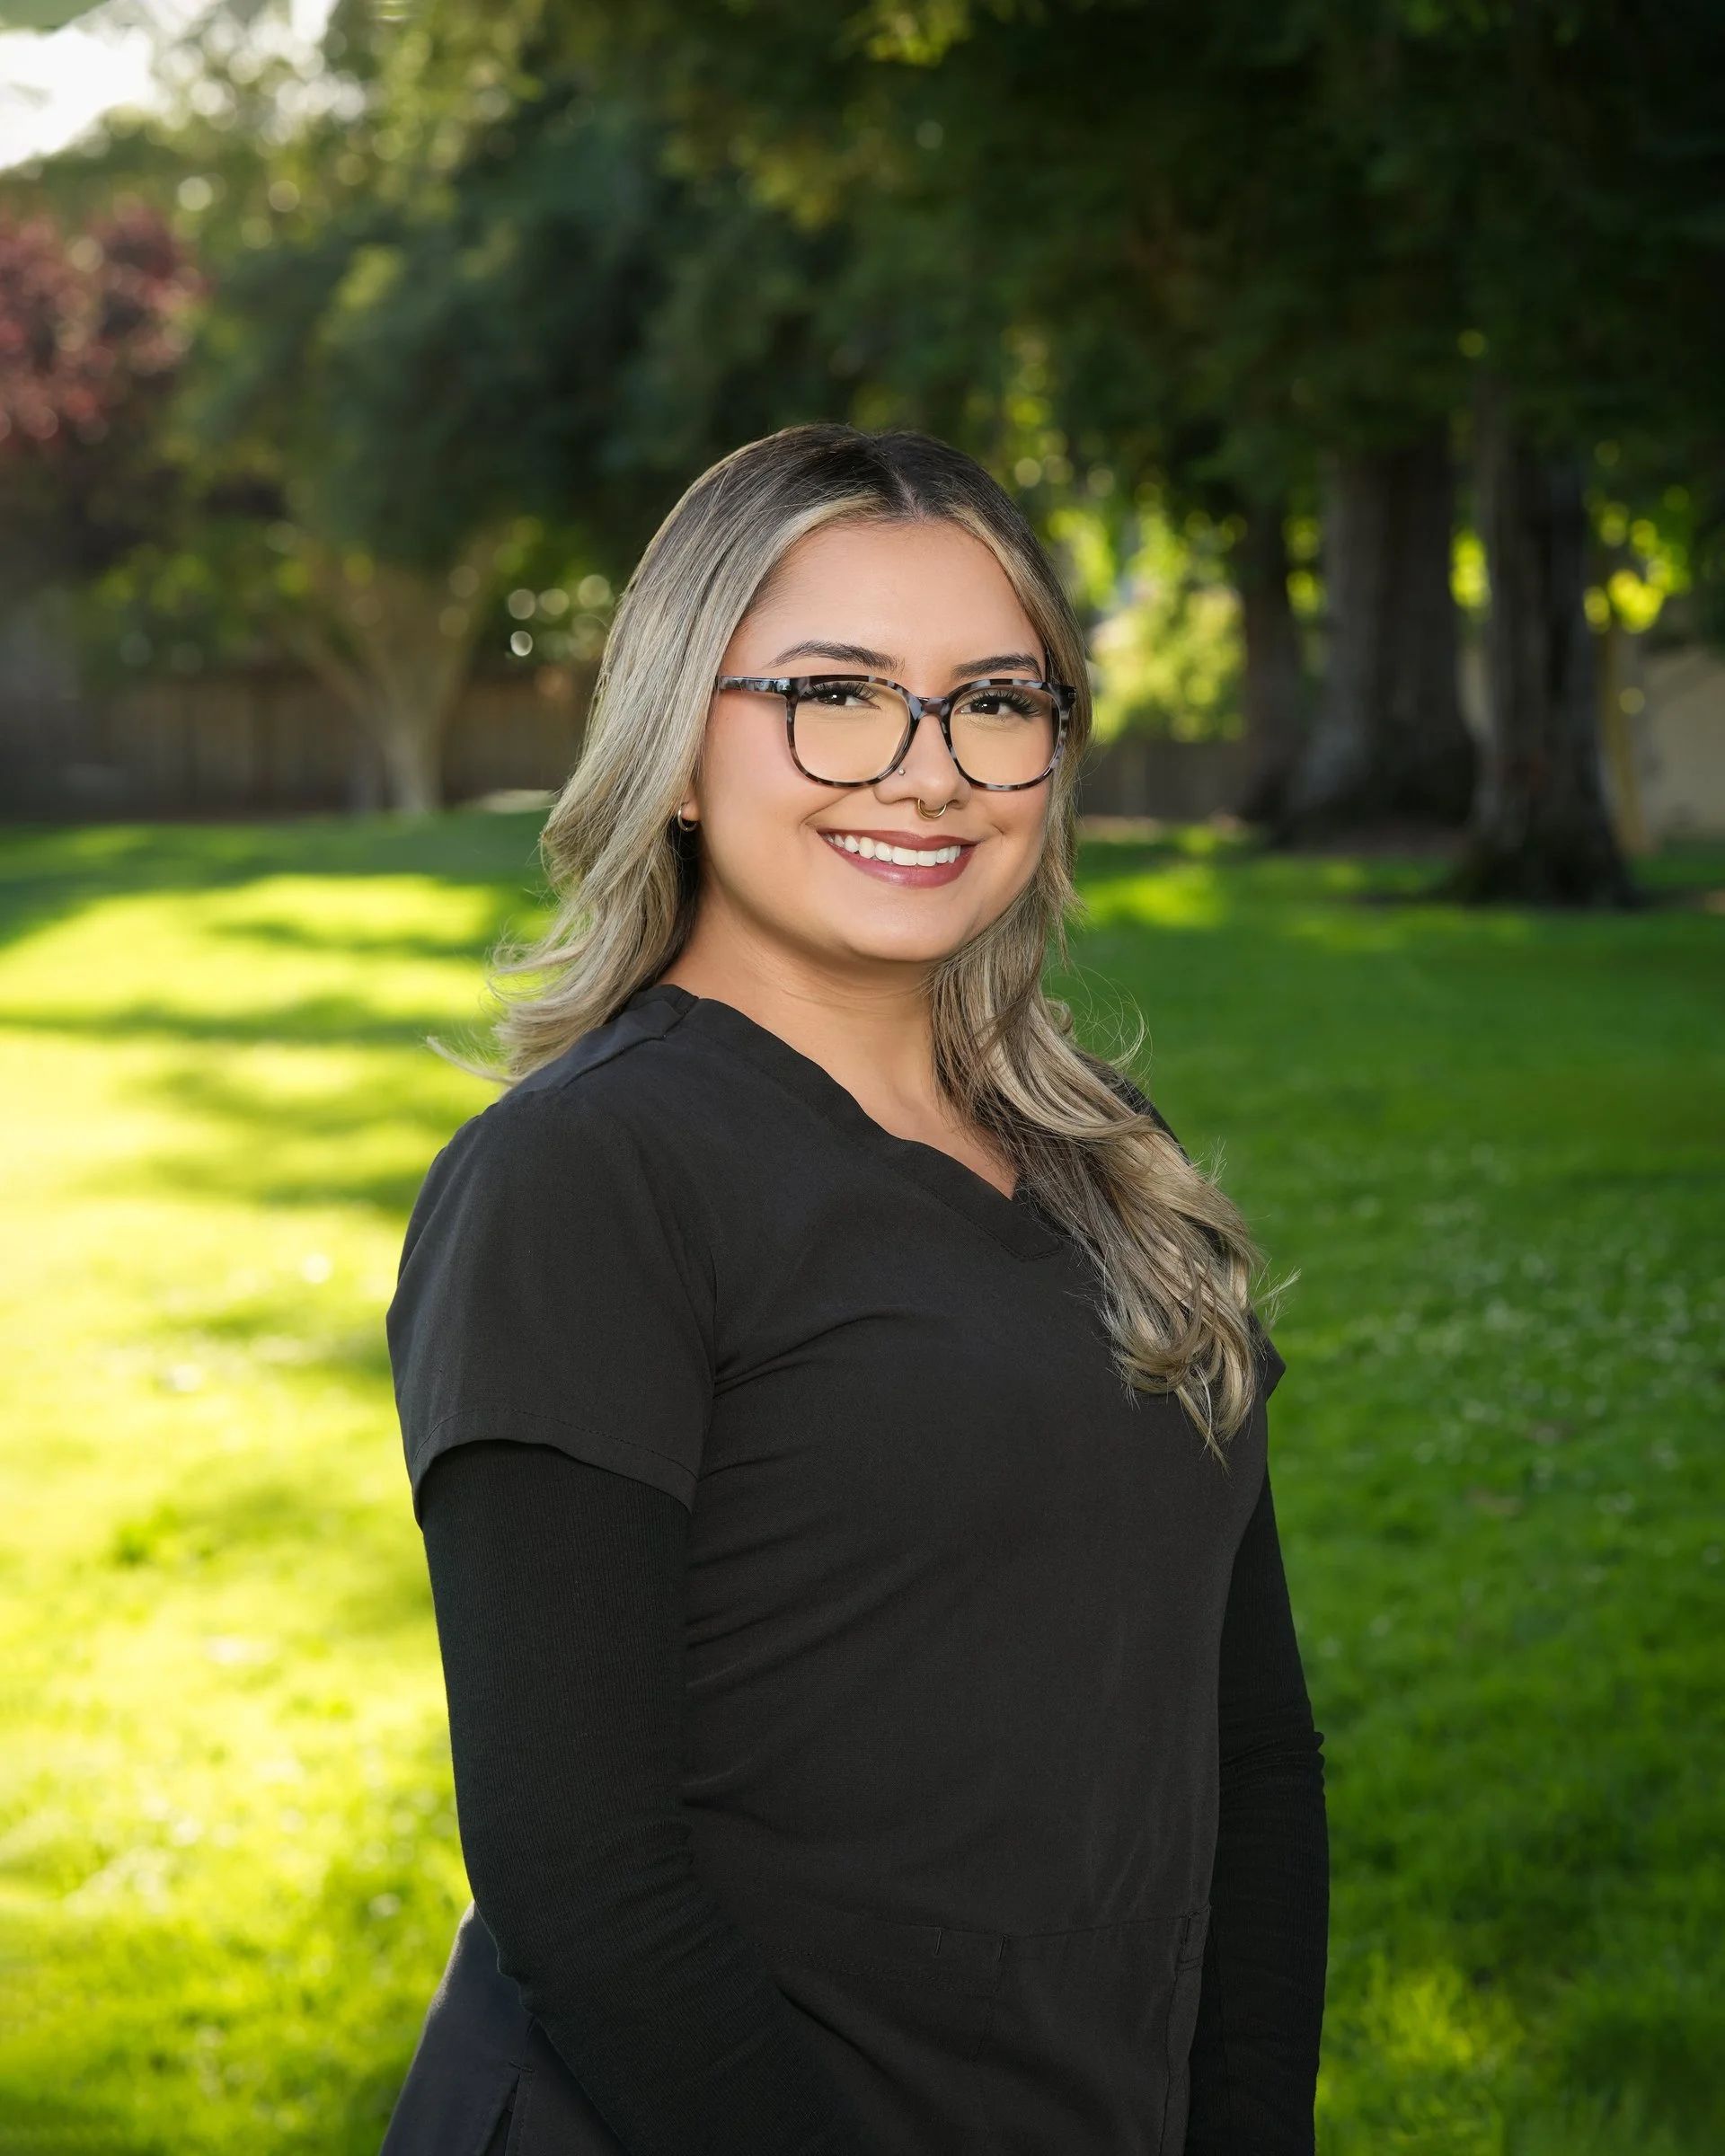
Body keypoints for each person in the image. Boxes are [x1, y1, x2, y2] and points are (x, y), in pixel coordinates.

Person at [379, 423, 1328, 2155]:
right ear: (675, 750)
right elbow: (582, 1884)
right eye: (834, 692)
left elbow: (1248, 1749)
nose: (927, 768)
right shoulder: (583, 1184)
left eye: (995, 700)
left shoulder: (1114, 1163)